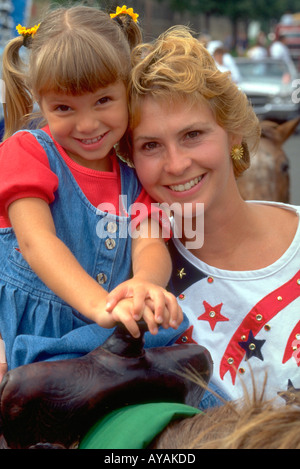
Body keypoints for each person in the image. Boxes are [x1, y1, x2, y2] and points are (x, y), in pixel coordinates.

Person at [0, 5, 184, 379]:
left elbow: (149, 242)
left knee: (179, 345)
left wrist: (145, 283)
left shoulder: (134, 179)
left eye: (103, 101)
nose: (87, 124)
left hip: (103, 330)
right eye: (64, 108)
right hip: (27, 331)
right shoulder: (28, 152)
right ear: (40, 100)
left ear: (126, 88)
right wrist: (99, 305)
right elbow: (38, 242)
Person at [125, 25, 300, 407]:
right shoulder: (131, 279)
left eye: (192, 135)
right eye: (151, 145)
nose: (176, 164)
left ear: (232, 133)